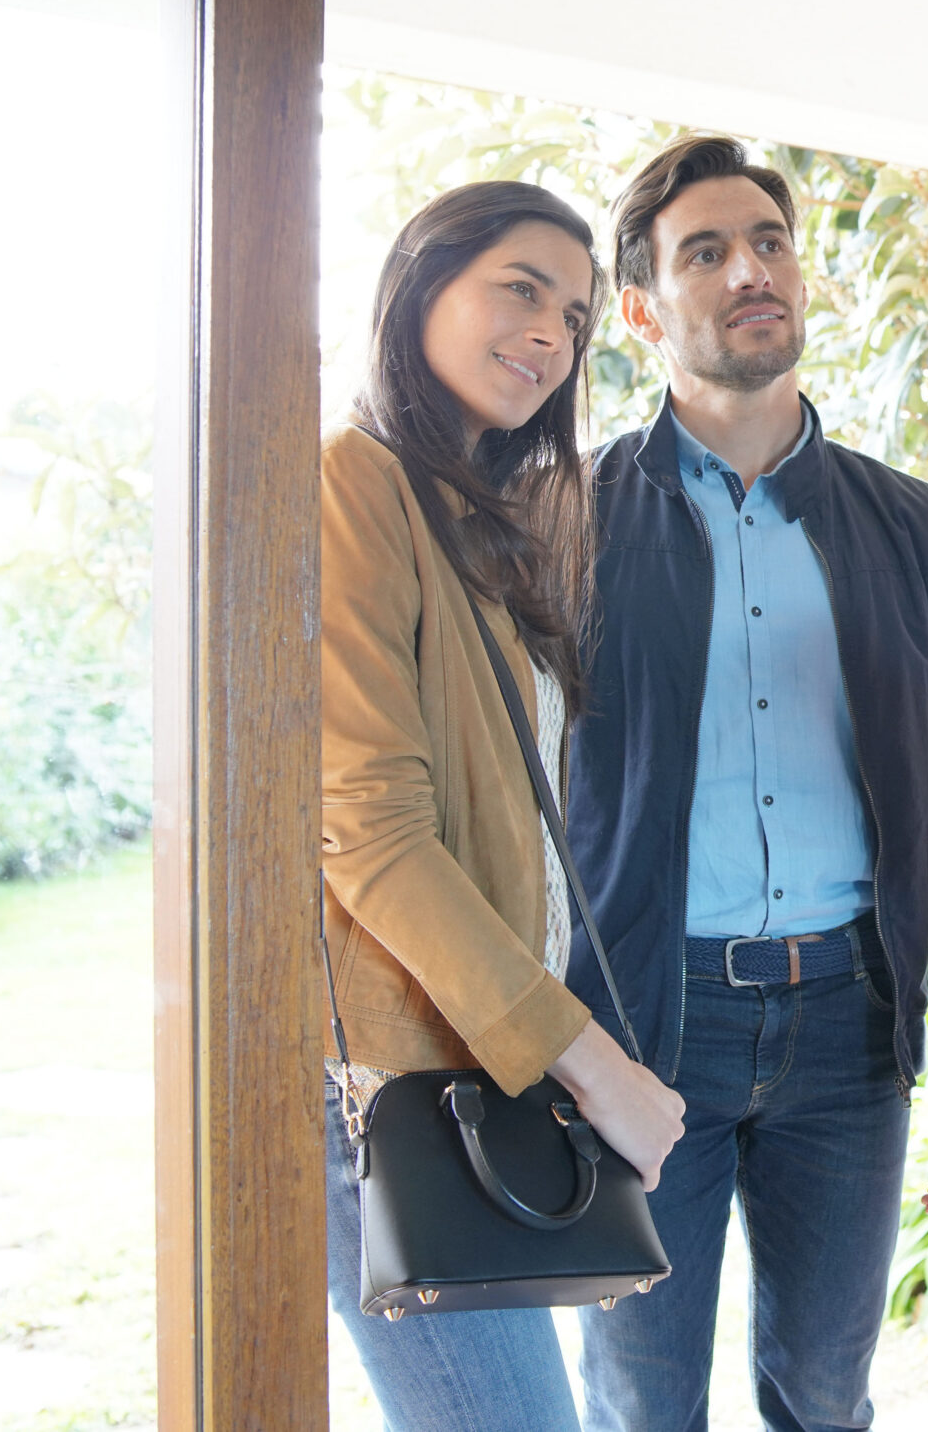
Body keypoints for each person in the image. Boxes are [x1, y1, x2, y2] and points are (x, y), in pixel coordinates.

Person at [560, 136, 928, 1432]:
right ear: (647, 309)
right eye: (705, 252)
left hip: (848, 1033)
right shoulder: (569, 521)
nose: (749, 270)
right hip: (639, 1032)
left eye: (768, 242)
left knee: (827, 1401)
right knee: (638, 1407)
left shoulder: (915, 529)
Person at [320, 181, 688, 1432]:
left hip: (466, 1060)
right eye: (519, 288)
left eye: (576, 317)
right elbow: (368, 828)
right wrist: (592, 1063)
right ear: (422, 282)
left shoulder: (475, 520)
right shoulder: (352, 482)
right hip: (386, 1080)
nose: (551, 333)